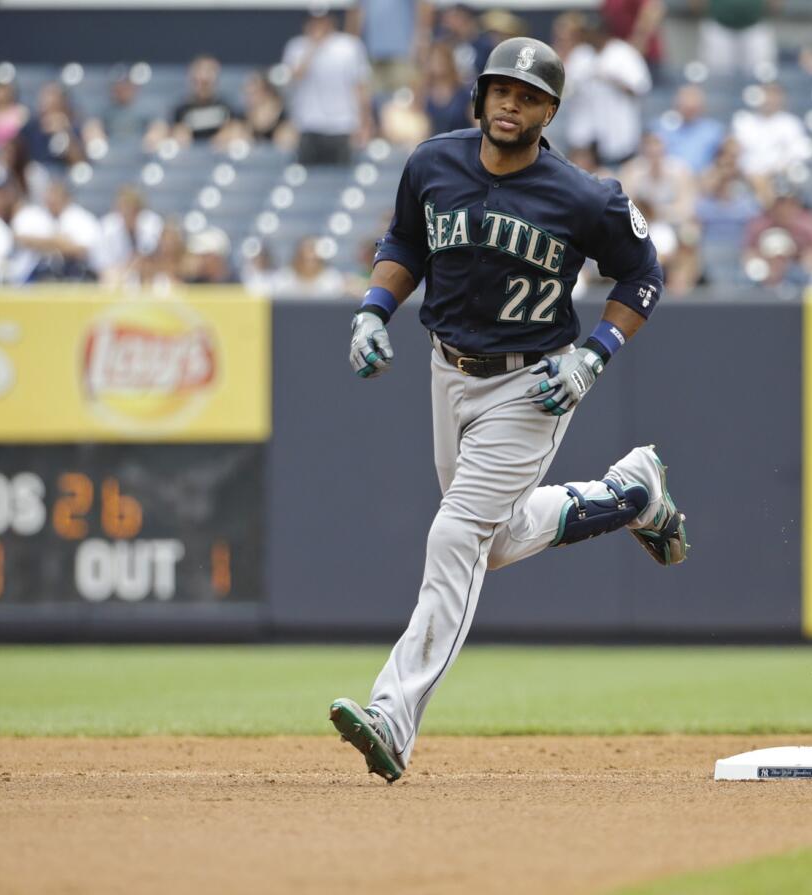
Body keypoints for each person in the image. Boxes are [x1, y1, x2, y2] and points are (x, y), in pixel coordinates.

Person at [329, 38, 686, 784]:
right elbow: (405, 241)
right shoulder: (432, 163)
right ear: (480, 95)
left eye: (527, 96)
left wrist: (594, 356)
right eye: (500, 90)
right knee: (494, 536)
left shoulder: (585, 196)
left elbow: (643, 274)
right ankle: (631, 493)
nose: (509, 104)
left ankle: (394, 712)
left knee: (457, 532)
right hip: (446, 369)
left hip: (533, 384)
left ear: (550, 110)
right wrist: (373, 308)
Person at [281, 9, 373, 166]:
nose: (318, 26)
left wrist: (365, 124)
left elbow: (361, 87)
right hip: (308, 127)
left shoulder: (349, 47)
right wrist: (312, 48)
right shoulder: (296, 47)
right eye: (314, 22)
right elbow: (293, 78)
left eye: (322, 21)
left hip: (343, 126)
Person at [564, 13, 652, 166]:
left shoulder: (624, 53)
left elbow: (640, 88)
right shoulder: (580, 54)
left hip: (618, 131)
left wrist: (612, 79)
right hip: (586, 132)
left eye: (592, 33)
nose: (588, 37)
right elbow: (566, 87)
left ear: (603, 33)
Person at [9, 178, 101, 282]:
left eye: (56, 197)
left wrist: (43, 244)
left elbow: (81, 250)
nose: (51, 201)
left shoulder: (81, 218)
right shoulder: (36, 214)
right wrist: (58, 242)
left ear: (66, 198)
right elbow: (21, 238)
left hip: (76, 274)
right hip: (37, 273)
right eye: (49, 197)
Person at [346, 0, 433, 95]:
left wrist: (421, 41)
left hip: (402, 56)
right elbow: (357, 14)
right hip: (372, 57)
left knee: (404, 102)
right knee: (374, 103)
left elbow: (424, 6)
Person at [731, 84, 812, 183]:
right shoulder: (744, 121)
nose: (769, 100)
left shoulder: (790, 123)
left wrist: (774, 171)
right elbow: (734, 152)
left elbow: (801, 152)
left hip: (778, 179)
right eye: (767, 94)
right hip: (745, 178)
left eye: (774, 95)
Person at [618, 131, 698, 226]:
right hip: (639, 224)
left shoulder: (680, 170)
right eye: (648, 144)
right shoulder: (630, 170)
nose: (653, 149)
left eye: (657, 143)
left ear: (665, 146)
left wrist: (657, 211)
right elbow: (624, 205)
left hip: (672, 224)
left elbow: (686, 208)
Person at [91, 186, 163, 285]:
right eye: (123, 208)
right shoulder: (106, 228)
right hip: (116, 275)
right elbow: (102, 264)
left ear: (139, 210)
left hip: (148, 276)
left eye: (132, 209)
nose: (127, 212)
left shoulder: (154, 224)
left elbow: (155, 258)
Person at [160, 55, 236, 146]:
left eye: (206, 83)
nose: (203, 84)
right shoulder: (180, 109)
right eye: (199, 82)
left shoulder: (225, 107)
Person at [652, 85, 725, 174]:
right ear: (677, 106)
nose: (689, 111)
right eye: (685, 107)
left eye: (693, 108)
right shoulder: (662, 127)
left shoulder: (714, 131)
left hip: (702, 181)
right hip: (668, 179)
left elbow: (723, 161)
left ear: (702, 108)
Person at [694, 0, 779, 75]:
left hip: (756, 27)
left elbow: (776, 4)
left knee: (763, 74)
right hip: (718, 27)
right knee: (716, 76)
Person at [419, 41, 472, 136]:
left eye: (441, 59)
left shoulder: (463, 93)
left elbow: (475, 122)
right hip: (432, 146)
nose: (438, 63)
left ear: (449, 61)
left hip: (460, 144)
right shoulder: (424, 93)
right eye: (433, 59)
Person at [268, 236, 347, 297]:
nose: (310, 257)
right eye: (305, 258)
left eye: (313, 259)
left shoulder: (332, 279)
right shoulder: (283, 278)